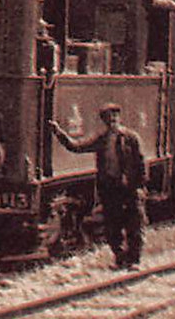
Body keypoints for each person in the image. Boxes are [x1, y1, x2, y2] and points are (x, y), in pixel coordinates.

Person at [49, 103, 148, 268]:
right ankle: (120, 258)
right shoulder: (102, 139)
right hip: (110, 187)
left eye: (115, 116)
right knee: (112, 226)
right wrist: (59, 133)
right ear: (104, 121)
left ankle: (134, 260)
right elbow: (77, 146)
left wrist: (139, 185)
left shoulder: (131, 138)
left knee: (134, 225)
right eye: (109, 117)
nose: (113, 120)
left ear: (119, 118)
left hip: (130, 188)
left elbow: (141, 162)